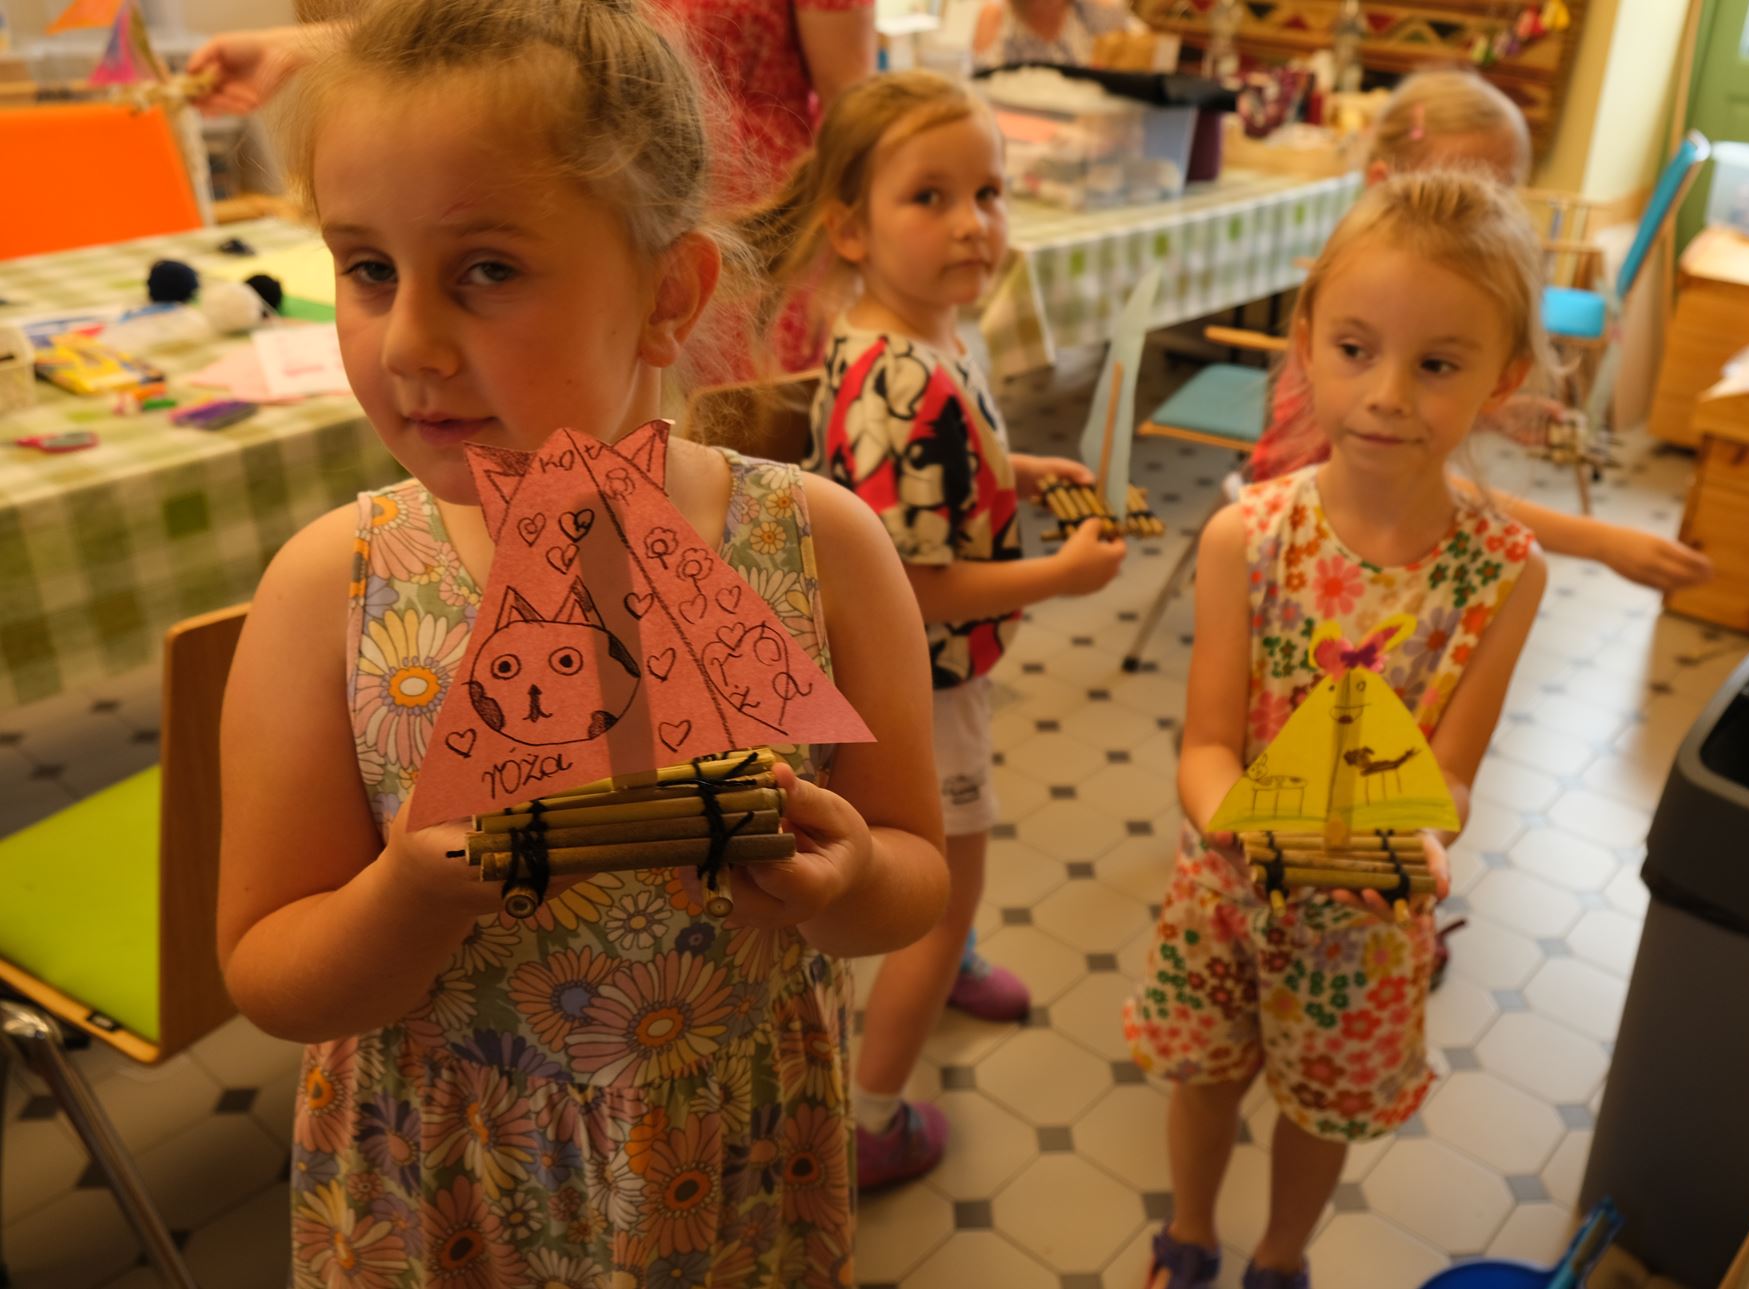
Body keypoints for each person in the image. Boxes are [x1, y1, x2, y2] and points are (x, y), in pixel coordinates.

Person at [214, 1, 948, 1281]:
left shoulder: (823, 548)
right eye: (368, 268)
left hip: (727, 1152)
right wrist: (406, 895)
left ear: (669, 294)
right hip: (446, 1171)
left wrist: (846, 880)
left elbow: (915, 871)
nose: (409, 343)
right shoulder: (324, 591)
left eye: (488, 270)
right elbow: (270, 975)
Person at [1123, 169, 1554, 1289]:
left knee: (1320, 1113)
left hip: (1367, 928)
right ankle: (1188, 1233)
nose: (1388, 395)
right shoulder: (1246, 537)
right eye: (1356, 349)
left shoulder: (1505, 574)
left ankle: (1279, 1257)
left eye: (1438, 364)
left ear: (1503, 377)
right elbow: (1205, 748)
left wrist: (1417, 841)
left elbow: (1450, 777)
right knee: (1204, 1082)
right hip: (1226, 897)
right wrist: (1243, 827)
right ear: (1305, 340)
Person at [745, 69, 1128, 1189]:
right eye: (930, 197)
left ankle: (949, 958)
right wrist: (1059, 575)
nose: (972, 223)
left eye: (988, 193)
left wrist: (1019, 469)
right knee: (943, 886)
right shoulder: (898, 382)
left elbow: (938, 473)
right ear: (849, 229)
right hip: (925, 680)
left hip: (940, 674)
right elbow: (907, 587)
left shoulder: (919, 334)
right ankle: (871, 1115)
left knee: (951, 862)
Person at [187, 0, 876, 370]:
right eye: (370, 270)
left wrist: (851, 235)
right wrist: (298, 48)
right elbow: (522, 27)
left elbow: (851, 101)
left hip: (762, 224)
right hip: (570, 200)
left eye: (490, 270)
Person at [1248, 68, 1714, 594]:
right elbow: (1397, 485)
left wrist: (1492, 412)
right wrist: (1595, 540)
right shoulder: (1354, 306)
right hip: (1308, 550)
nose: (1486, 215)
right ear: (1384, 184)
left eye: (1502, 190)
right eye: (1460, 188)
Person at [973, 0, 1144, 67]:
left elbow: (1140, 51)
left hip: (1080, 124)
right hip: (1013, 123)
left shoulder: (1093, 11)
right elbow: (980, 81)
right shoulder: (996, 14)